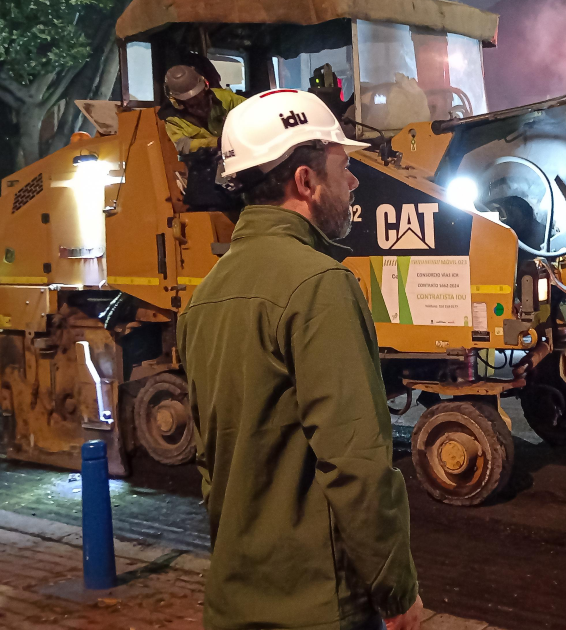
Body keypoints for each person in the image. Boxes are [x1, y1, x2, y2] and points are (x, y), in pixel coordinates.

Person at [177, 89, 423, 630]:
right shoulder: (320, 286)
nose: (354, 181)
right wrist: (396, 590)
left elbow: (210, 462)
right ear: (306, 183)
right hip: (319, 605)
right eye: (344, 167)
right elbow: (356, 460)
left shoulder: (204, 296)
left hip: (234, 600)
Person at [160, 64, 245, 155]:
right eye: (190, 100)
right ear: (176, 99)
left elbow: (253, 109)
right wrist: (216, 142)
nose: (199, 104)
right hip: (205, 160)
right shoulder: (173, 118)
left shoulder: (224, 98)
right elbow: (182, 146)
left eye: (199, 95)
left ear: (205, 86)